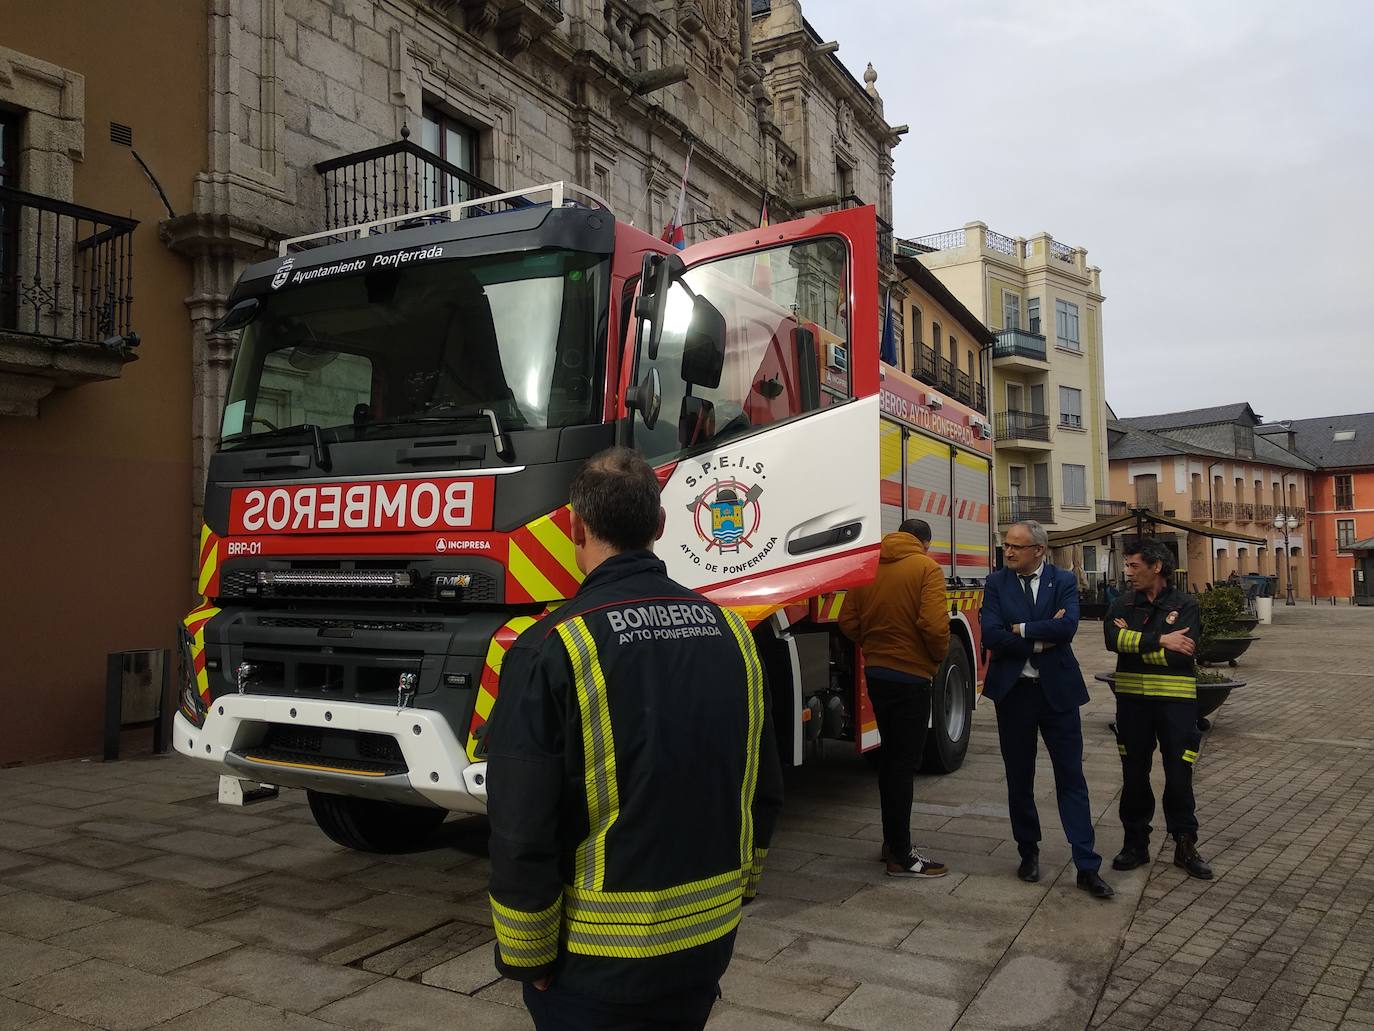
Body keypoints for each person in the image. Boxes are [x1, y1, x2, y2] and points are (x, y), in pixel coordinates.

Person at [485, 447, 784, 1030]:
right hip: (705, 948)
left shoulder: (552, 647)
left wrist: (527, 957)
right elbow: (760, 785)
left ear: (575, 525)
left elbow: (521, 825)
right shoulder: (734, 634)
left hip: (596, 970)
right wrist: (740, 890)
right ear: (661, 525)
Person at [980, 521, 1113, 899]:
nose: (1008, 553)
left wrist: (1018, 629)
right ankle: (1028, 852)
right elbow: (990, 635)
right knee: (1019, 779)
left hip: (1058, 694)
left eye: (1017, 547)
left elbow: (1068, 628)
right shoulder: (996, 583)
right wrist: (1038, 640)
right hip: (1015, 694)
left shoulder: (1063, 580)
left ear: (1039, 550)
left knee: (1071, 778)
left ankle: (1087, 864)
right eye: (1006, 546)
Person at [838, 518, 950, 878]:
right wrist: (933, 658)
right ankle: (902, 854)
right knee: (904, 765)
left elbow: (847, 621)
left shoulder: (868, 566)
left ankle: (891, 842)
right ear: (924, 542)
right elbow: (934, 626)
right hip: (912, 676)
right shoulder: (927, 569)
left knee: (890, 761)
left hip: (877, 674)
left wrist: (872, 645)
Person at [1105, 537, 1212, 880]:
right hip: (1133, 706)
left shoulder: (1186, 605)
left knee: (1179, 777)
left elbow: (1183, 654)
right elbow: (1112, 641)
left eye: (1134, 566)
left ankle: (1185, 845)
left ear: (1157, 568)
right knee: (1134, 777)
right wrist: (1162, 639)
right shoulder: (1122, 603)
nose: (1128, 572)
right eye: (1127, 565)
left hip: (1176, 706)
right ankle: (1135, 844)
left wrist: (1135, 641)